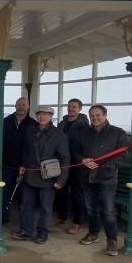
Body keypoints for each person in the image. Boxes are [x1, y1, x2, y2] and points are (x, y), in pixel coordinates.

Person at [75, 105, 130, 256]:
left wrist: (105, 166)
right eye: (92, 115)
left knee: (108, 210)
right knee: (91, 208)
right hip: (87, 176)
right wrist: (82, 160)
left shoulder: (118, 133)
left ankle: (111, 240)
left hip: (107, 178)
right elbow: (75, 152)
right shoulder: (83, 132)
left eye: (98, 115)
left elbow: (124, 155)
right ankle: (93, 234)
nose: (95, 118)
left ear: (105, 115)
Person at [13, 106, 70, 244]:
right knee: (26, 205)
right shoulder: (30, 130)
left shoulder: (59, 135)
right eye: (40, 114)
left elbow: (65, 159)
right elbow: (25, 151)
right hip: (29, 174)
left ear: (51, 117)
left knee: (45, 207)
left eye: (46, 114)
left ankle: (42, 233)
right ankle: (26, 231)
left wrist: (61, 180)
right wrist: (22, 165)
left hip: (48, 177)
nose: (42, 117)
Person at [55, 98, 90, 234]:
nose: (71, 109)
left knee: (77, 194)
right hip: (63, 162)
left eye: (74, 107)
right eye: (69, 106)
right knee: (61, 191)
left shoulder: (84, 125)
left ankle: (77, 223)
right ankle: (62, 217)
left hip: (77, 164)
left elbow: (86, 144)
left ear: (80, 109)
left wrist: (81, 159)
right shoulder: (62, 123)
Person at [1, 97, 36, 225]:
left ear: (28, 106)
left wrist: (26, 163)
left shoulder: (33, 124)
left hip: (26, 166)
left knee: (25, 196)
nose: (21, 107)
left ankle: (24, 222)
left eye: (24, 105)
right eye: (19, 104)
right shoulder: (5, 121)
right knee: (4, 194)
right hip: (6, 164)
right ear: (15, 106)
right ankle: (3, 217)